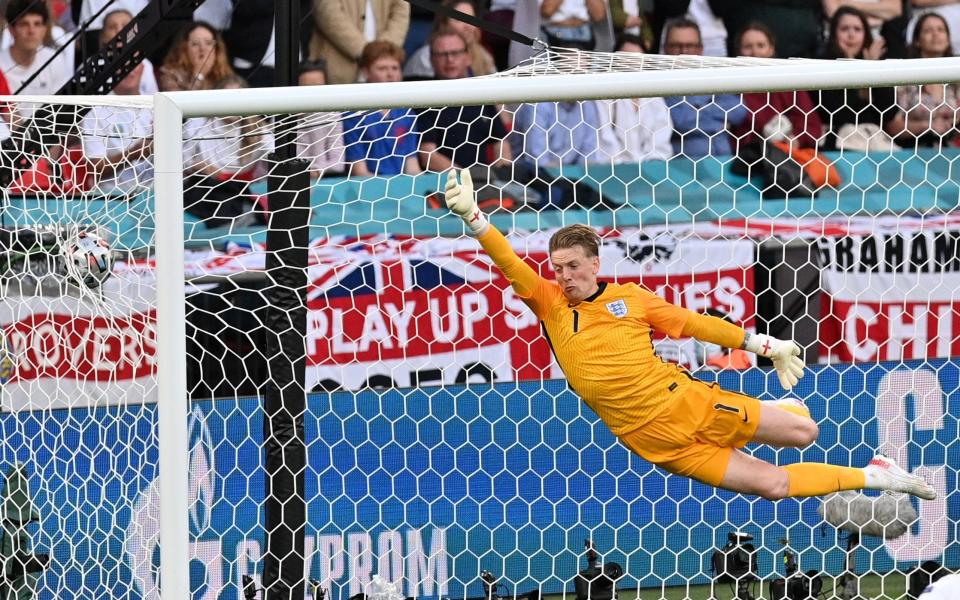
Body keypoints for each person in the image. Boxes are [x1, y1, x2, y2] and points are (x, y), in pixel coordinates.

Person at [441, 168, 938, 502]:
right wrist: (473, 217)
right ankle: (877, 475)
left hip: (684, 404)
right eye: (557, 268)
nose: (564, 276)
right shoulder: (549, 303)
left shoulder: (633, 299)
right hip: (655, 443)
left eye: (573, 266)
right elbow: (507, 260)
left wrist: (765, 344)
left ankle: (817, 433)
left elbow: (695, 324)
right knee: (774, 487)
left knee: (804, 433)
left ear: (595, 263)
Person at [182, 75, 273, 228]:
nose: (233, 105)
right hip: (202, 187)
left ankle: (246, 214)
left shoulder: (258, 130)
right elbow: (179, 160)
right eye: (227, 98)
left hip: (239, 189)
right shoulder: (199, 122)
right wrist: (196, 166)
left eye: (238, 99)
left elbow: (278, 156)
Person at [416, 28, 511, 171]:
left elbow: (501, 142)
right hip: (444, 186)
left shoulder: (481, 95)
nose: (450, 59)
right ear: (431, 59)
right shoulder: (424, 99)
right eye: (442, 54)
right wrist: (465, 180)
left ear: (468, 57)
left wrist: (501, 173)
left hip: (484, 184)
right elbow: (428, 155)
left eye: (455, 53)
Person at [661, 18, 746, 158]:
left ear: (700, 49)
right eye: (676, 46)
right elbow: (679, 121)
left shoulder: (713, 77)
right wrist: (719, 121)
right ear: (665, 48)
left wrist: (696, 109)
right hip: (683, 165)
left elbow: (738, 110)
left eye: (690, 45)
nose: (683, 52)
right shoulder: (657, 83)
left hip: (724, 161)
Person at [817, 6, 899, 151]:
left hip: (875, 140)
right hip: (838, 140)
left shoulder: (875, 63)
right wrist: (850, 69)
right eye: (844, 29)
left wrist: (872, 70)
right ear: (833, 33)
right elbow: (837, 114)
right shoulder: (822, 65)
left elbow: (888, 113)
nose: (851, 35)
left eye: (857, 29)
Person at [732, 23, 823, 149]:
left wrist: (795, 139)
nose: (755, 52)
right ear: (739, 52)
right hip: (746, 157)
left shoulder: (788, 82)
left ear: (771, 49)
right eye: (748, 46)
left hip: (787, 155)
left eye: (761, 45)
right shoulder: (731, 86)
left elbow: (811, 124)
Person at [341, 41, 421, 176]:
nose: (390, 74)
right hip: (369, 189)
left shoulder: (406, 112)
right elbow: (359, 171)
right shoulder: (354, 113)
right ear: (366, 72)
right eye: (382, 68)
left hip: (403, 188)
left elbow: (412, 165)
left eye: (395, 68)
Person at [597, 34, 673, 162]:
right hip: (615, 171)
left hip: (651, 169)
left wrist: (651, 163)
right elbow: (605, 141)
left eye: (637, 62)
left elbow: (662, 135)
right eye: (625, 61)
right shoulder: (605, 97)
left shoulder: (654, 96)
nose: (631, 66)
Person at [80, 62, 153, 194]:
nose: (128, 68)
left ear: (142, 68)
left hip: (155, 195)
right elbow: (95, 169)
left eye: (134, 63)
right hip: (111, 197)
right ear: (110, 69)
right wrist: (132, 153)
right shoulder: (96, 109)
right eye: (123, 62)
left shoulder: (158, 105)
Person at [891, 13, 960, 146]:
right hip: (914, 152)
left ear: (948, 38)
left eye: (941, 30)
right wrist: (928, 126)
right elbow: (893, 127)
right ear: (917, 40)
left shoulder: (956, 78)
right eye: (928, 30)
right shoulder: (905, 78)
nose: (936, 34)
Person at [309, 0, 411, 84]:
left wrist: (383, 52)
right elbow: (328, 14)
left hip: (383, 59)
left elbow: (401, 13)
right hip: (338, 68)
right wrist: (370, 52)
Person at [404, 0, 496, 79]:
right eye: (460, 20)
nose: (468, 26)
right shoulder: (424, 57)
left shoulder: (484, 56)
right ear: (443, 24)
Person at [0, 0, 71, 98]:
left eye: (37, 24)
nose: (31, 31)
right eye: (24, 24)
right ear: (12, 30)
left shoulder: (54, 60)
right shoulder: (1, 64)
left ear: (45, 29)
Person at [295, 60, 346, 179]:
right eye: (307, 88)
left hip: (322, 180)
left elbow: (338, 163)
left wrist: (316, 171)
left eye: (318, 88)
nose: (313, 94)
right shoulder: (283, 117)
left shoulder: (332, 114)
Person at [158, 21, 235, 92]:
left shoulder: (225, 75)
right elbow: (182, 103)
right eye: (195, 43)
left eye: (208, 43)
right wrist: (199, 75)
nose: (202, 49)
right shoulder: (170, 75)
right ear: (184, 49)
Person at [99, 8, 158, 95]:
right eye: (112, 27)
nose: (119, 31)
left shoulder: (146, 64)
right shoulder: (89, 67)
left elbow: (154, 102)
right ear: (103, 36)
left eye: (126, 26)